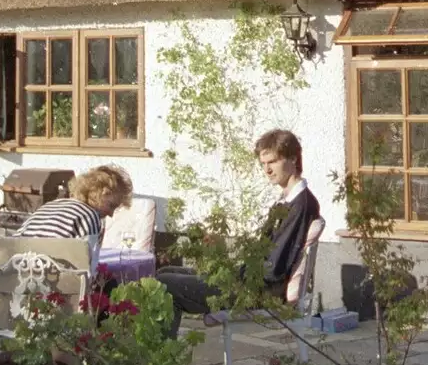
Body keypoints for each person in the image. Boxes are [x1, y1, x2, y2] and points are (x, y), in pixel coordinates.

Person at [155, 129, 320, 337]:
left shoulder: (300, 205)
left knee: (165, 284)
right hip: (250, 281)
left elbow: (274, 268)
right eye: (263, 164)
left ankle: (163, 359)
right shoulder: (287, 201)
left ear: (293, 158)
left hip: (257, 292)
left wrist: (235, 277)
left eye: (273, 162)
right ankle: (163, 354)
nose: (267, 170)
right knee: (165, 272)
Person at [16, 164, 132, 268]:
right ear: (98, 195)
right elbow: (87, 268)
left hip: (16, 269)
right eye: (111, 206)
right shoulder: (88, 216)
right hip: (49, 277)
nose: (111, 214)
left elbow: (14, 241)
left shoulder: (49, 205)